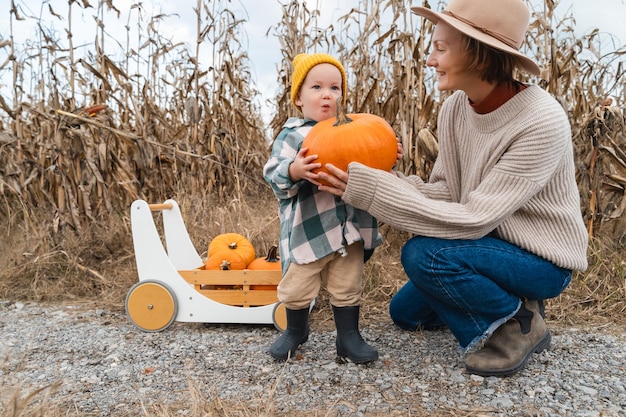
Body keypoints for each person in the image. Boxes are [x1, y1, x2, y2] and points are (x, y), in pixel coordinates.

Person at [315, 0, 589, 377]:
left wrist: (371, 191)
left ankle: (517, 324)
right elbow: (444, 191)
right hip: (486, 245)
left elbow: (474, 218)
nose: (429, 60)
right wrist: (385, 179)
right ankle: (507, 302)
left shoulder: (541, 120)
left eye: (440, 49)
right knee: (405, 314)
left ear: (479, 55)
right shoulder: (455, 109)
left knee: (424, 256)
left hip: (540, 259)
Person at [263, 53, 385, 363]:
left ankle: (348, 337)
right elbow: (273, 172)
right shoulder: (293, 135)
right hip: (309, 230)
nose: (327, 94)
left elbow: (376, 161)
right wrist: (294, 170)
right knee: (297, 286)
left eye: (335, 87)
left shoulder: (358, 129)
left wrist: (388, 151)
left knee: (348, 285)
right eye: (316, 87)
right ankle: (295, 331)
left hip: (348, 229)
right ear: (299, 98)